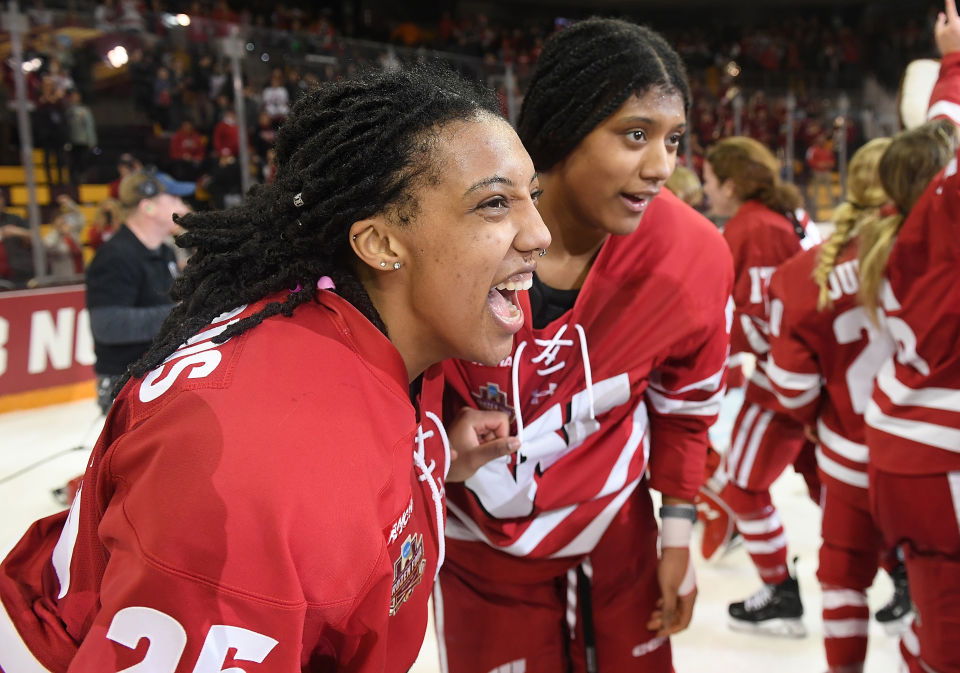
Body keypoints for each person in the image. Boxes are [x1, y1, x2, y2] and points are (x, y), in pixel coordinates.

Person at [0, 66, 549, 671]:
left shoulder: (356, 326)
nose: (539, 233)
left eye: (533, 197)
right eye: (494, 203)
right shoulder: (260, 476)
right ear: (382, 244)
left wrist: (437, 456)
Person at [425, 18, 733, 672]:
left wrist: (677, 534)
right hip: (481, 554)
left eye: (674, 140)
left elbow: (686, 410)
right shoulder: (454, 239)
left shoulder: (694, 253)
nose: (662, 167)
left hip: (617, 543)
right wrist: (430, 451)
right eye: (636, 134)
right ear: (565, 126)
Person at [859, 4, 960, 672]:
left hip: (916, 452)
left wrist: (957, 60)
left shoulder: (920, 217)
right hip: (947, 456)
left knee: (945, 620)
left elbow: (944, 130)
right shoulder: (957, 221)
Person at [764, 138, 912, 673]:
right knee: (937, 571)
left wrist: (810, 423)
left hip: (848, 454)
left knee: (843, 576)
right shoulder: (935, 255)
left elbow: (793, 389)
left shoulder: (802, 275)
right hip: (928, 457)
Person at [700, 135, 820, 636]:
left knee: (744, 491)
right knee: (830, 488)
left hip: (782, 386)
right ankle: (903, 574)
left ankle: (781, 592)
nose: (707, 193)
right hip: (811, 380)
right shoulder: (783, 217)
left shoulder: (755, 227)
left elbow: (767, 322)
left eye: (710, 182)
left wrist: (701, 350)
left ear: (731, 183)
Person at [84, 170, 185, 415]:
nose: (182, 206)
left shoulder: (165, 253)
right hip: (127, 382)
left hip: (157, 374)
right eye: (173, 199)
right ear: (148, 207)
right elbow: (108, 325)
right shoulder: (115, 256)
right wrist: (184, 313)